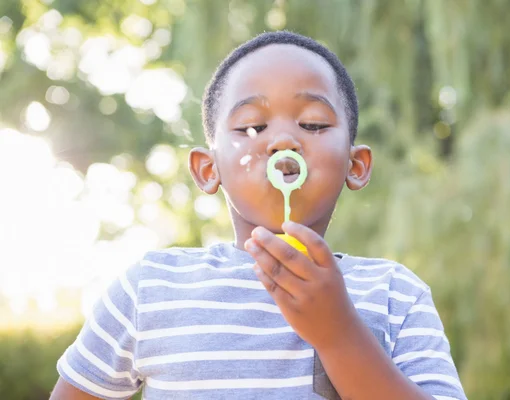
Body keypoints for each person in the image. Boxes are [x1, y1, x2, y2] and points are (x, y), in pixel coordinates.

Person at [51, 31, 467, 400]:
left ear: (354, 166)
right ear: (207, 169)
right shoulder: (150, 288)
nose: (283, 140)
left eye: (314, 123)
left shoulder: (395, 294)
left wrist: (338, 334)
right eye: (251, 126)